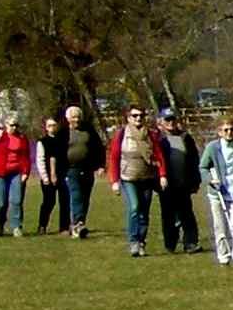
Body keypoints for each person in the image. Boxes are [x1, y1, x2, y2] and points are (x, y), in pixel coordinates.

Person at [106, 106, 162, 255]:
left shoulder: (151, 134)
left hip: (147, 177)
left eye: (141, 115)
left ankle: (141, 241)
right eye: (135, 115)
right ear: (128, 118)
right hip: (128, 177)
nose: (138, 118)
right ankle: (133, 241)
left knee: (144, 212)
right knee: (134, 207)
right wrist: (114, 181)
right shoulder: (122, 134)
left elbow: (158, 155)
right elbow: (114, 157)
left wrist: (162, 175)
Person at [203, 115, 233, 268]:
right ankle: (223, 256)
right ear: (219, 132)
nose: (229, 133)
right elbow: (203, 167)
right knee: (220, 226)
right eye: (225, 130)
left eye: (231, 129)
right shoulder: (212, 148)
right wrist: (210, 179)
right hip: (217, 193)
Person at [156, 108, 205, 255]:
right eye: (167, 120)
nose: (171, 122)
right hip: (166, 184)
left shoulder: (185, 137)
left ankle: (190, 242)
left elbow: (194, 160)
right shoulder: (158, 139)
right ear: (161, 121)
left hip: (184, 183)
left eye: (173, 119)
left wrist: (196, 180)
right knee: (168, 214)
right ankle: (170, 243)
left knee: (187, 214)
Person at [54, 103, 104, 239]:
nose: (76, 120)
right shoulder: (62, 132)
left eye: (78, 117)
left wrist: (100, 165)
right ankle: (78, 223)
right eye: (73, 117)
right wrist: (58, 172)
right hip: (70, 169)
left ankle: (79, 224)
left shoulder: (88, 130)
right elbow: (57, 153)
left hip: (87, 168)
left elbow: (98, 147)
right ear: (68, 118)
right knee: (76, 196)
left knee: (85, 197)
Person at [31, 114, 67, 234]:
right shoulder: (42, 142)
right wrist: (45, 177)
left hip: (62, 175)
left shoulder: (62, 141)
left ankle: (64, 227)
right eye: (49, 125)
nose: (52, 127)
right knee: (49, 202)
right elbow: (40, 160)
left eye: (54, 125)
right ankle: (42, 225)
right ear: (46, 128)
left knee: (65, 201)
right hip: (47, 177)